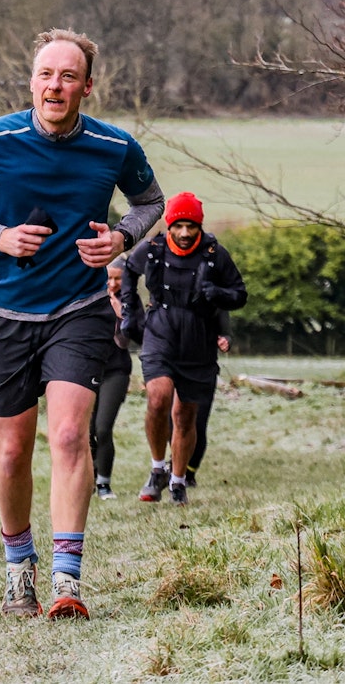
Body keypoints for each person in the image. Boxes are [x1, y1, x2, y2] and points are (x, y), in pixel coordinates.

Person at [0, 28, 165, 619]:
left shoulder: (115, 147)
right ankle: (20, 568)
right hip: (6, 312)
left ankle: (66, 578)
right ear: (32, 82)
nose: (54, 85)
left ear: (87, 86)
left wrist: (120, 238)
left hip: (79, 308)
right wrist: (0, 237)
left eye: (68, 76)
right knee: (12, 451)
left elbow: (151, 204)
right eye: (45, 75)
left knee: (67, 436)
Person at [118, 192, 247, 506]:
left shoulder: (216, 255)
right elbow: (128, 270)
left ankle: (177, 482)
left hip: (199, 340)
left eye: (192, 226)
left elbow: (239, 294)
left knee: (186, 415)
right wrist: (130, 312)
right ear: (169, 225)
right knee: (158, 397)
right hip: (159, 333)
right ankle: (156, 469)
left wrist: (217, 292)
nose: (185, 233)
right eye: (179, 225)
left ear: (199, 226)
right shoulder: (152, 251)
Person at [89, 255, 134, 501]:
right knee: (85, 432)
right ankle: (87, 479)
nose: (113, 283)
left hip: (116, 371)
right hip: (87, 370)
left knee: (103, 428)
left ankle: (104, 483)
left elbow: (125, 341)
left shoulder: (130, 304)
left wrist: (120, 315)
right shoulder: (89, 298)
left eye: (118, 279)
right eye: (110, 278)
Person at [186, 313, 232, 487]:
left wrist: (226, 341)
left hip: (204, 369)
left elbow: (226, 333)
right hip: (174, 366)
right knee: (173, 423)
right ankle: (175, 466)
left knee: (198, 424)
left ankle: (190, 472)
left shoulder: (214, 297)